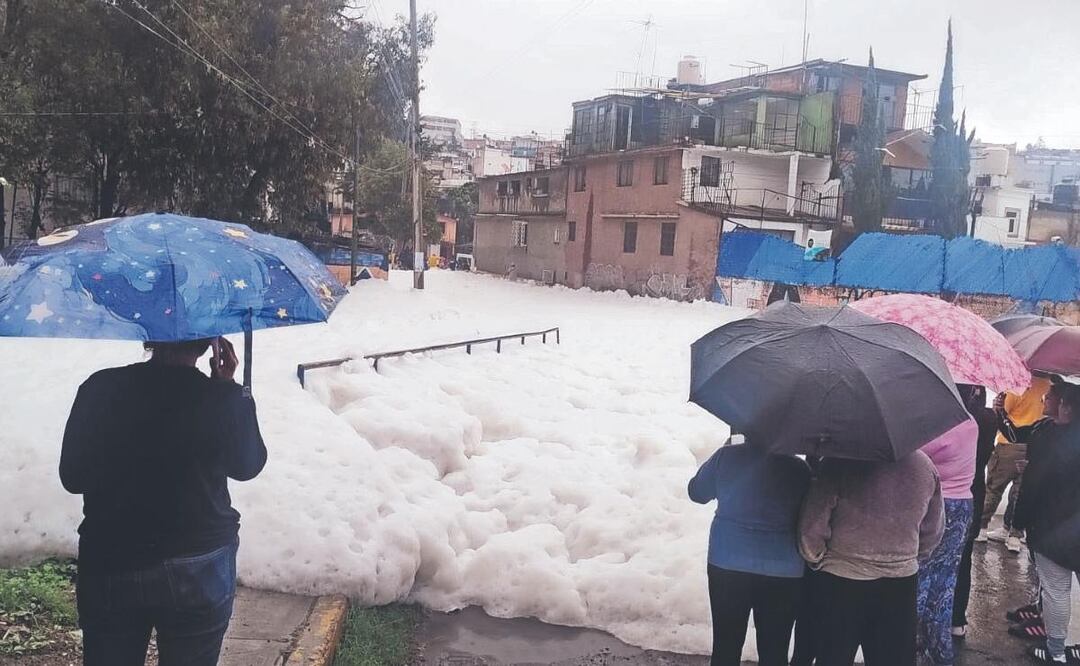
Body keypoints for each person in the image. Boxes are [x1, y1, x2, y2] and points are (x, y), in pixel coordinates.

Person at [60, 338, 267, 666]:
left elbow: (72, 477)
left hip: (112, 558)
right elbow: (247, 466)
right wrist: (232, 392)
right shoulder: (221, 397)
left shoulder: (100, 387)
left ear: (149, 335)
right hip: (199, 564)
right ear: (209, 345)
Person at [798, 451, 944, 665]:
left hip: (841, 578)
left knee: (833, 655)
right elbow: (934, 529)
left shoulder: (837, 462)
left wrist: (816, 558)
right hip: (899, 582)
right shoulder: (924, 467)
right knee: (892, 658)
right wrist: (908, 556)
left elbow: (811, 526)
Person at [688, 435, 811, 666]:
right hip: (783, 570)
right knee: (774, 652)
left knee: (726, 646)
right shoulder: (799, 469)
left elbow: (697, 492)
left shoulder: (726, 457)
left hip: (727, 563)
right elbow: (811, 517)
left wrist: (723, 453)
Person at [1007, 383, 1080, 663]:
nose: (1044, 399)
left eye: (1050, 397)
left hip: (1054, 529)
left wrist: (1019, 521)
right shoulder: (1051, 432)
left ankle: (1056, 652)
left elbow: (1037, 486)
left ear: (1066, 405)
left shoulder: (1052, 439)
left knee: (1057, 590)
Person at [915, 417, 977, 665]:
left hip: (939, 505)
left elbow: (912, 455)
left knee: (921, 578)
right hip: (963, 505)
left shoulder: (938, 428)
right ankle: (939, 650)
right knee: (945, 582)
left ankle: (915, 649)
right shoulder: (971, 422)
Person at [977, 374, 1052, 552]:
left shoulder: (1018, 385)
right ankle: (1014, 534)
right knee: (1020, 491)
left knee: (994, 487)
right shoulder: (1049, 387)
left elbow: (1000, 415)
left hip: (1009, 445)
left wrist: (997, 410)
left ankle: (981, 527)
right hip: (1034, 445)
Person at [951, 385, 998, 639]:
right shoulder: (989, 419)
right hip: (972, 495)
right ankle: (957, 620)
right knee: (964, 558)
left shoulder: (949, 417)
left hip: (945, 497)